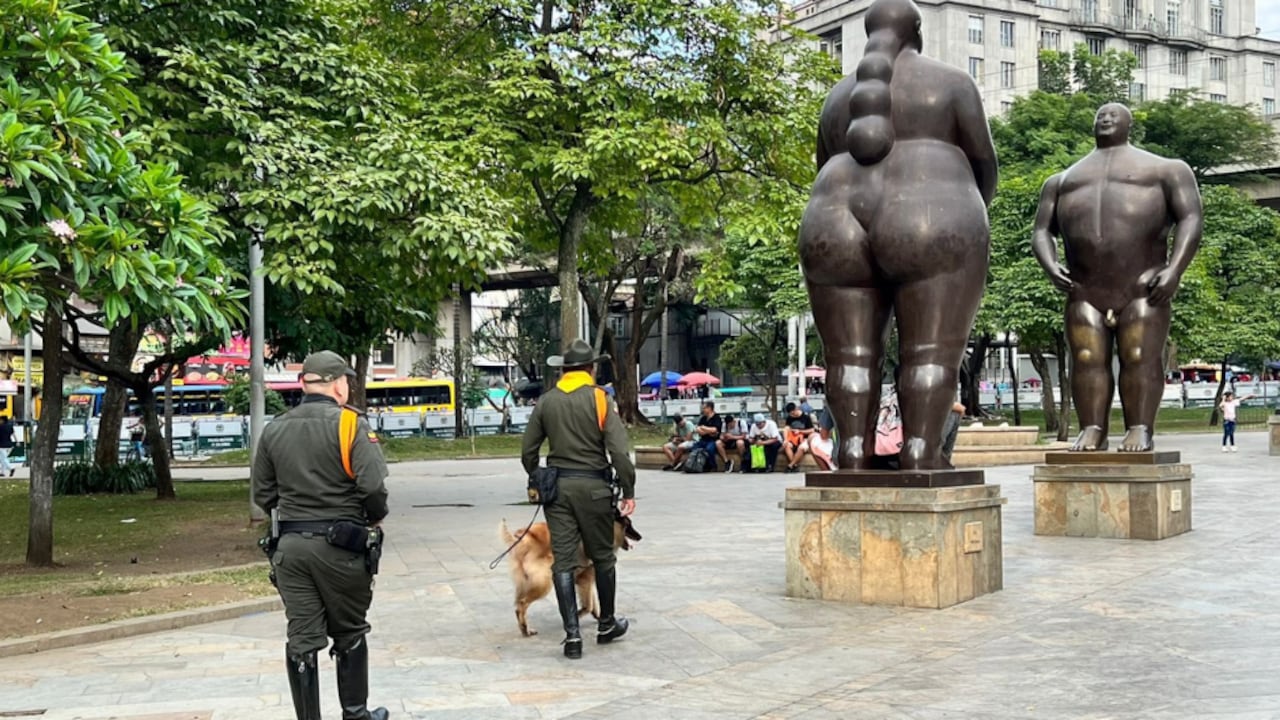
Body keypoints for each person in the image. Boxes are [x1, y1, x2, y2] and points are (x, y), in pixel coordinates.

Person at [799, 0, 997, 471]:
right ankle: (921, 450)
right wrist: (966, 216)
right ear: (917, 33)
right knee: (929, 352)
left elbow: (822, 160)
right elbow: (984, 164)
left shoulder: (835, 98)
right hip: (933, 209)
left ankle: (851, 451)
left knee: (847, 355)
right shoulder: (952, 83)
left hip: (832, 215)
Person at [1033, 102, 1202, 453]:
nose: (1106, 118)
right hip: (1083, 288)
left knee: (1140, 354)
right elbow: (1041, 231)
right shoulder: (1062, 180)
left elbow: (1191, 217)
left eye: (1114, 115)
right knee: (1085, 358)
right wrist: (1051, 265)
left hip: (1143, 286)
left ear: (1129, 124)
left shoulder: (1166, 169)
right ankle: (1092, 427)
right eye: (1100, 115)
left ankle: (1140, 426)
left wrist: (1174, 269)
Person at [251, 351, 391, 720]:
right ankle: (356, 714)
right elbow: (373, 488)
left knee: (302, 638)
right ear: (337, 384)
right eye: (346, 380)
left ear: (304, 384)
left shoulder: (274, 428)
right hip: (341, 549)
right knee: (350, 631)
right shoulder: (351, 425)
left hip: (291, 552)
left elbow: (263, 497)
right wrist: (373, 519)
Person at [520, 339, 636, 659]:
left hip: (558, 492)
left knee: (565, 561)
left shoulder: (546, 401)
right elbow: (619, 453)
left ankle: (572, 636)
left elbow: (528, 451)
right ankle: (606, 624)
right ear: (591, 368)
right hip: (596, 490)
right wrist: (628, 490)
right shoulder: (600, 399)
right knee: (603, 558)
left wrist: (537, 476)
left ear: (563, 369)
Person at [781, 402, 816, 472]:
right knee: (787, 446)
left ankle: (791, 465)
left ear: (796, 409)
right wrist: (785, 440)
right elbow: (786, 429)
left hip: (804, 438)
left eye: (793, 413)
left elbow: (812, 430)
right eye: (791, 414)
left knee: (802, 448)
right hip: (793, 438)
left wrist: (800, 431)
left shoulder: (806, 417)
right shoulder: (790, 418)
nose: (792, 415)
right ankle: (794, 465)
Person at [692, 401, 724, 471]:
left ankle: (713, 466)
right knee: (694, 448)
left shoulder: (717, 418)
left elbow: (715, 430)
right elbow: (698, 429)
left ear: (709, 408)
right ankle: (697, 465)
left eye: (704, 408)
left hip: (713, 440)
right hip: (703, 439)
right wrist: (708, 431)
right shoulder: (703, 418)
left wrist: (704, 428)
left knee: (709, 449)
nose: (703, 410)